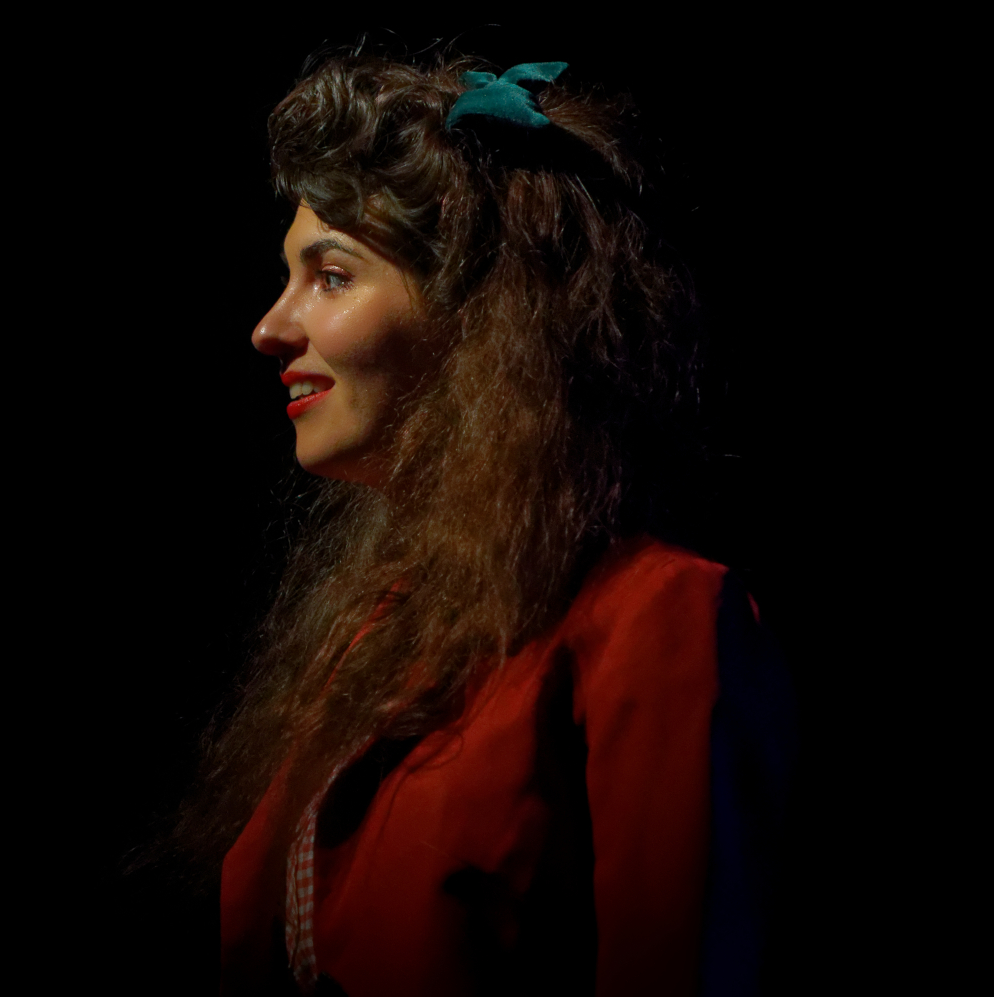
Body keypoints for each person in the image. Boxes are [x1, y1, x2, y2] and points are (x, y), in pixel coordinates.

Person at [175, 48, 795, 996]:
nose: (270, 327)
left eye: (330, 277)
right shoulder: (372, 640)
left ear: (475, 318)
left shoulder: (654, 620)